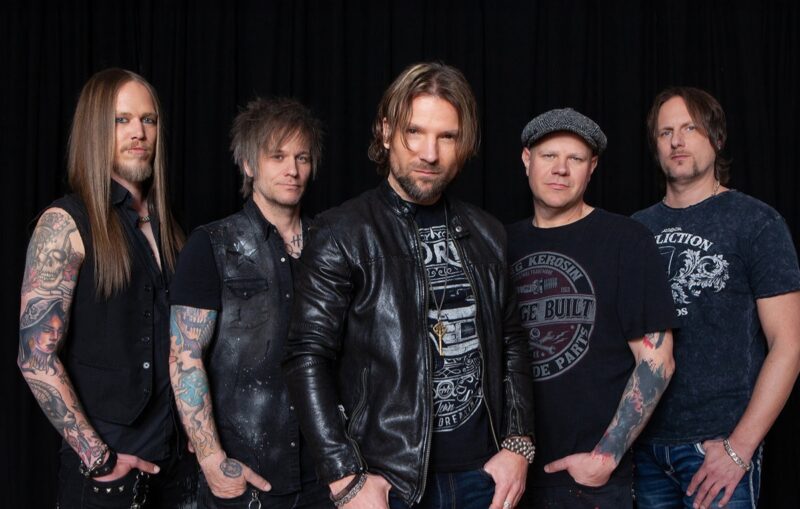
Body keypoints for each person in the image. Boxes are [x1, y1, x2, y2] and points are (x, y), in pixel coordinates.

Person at [282, 62, 535, 509]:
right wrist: (344, 475)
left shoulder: (488, 233)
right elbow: (307, 356)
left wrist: (518, 444)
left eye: (447, 136)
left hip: (483, 479)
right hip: (389, 483)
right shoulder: (344, 232)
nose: (430, 154)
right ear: (385, 132)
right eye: (414, 132)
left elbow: (511, 340)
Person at [17, 68, 195, 507]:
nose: (139, 132)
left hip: (178, 469)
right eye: (122, 120)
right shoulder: (65, 223)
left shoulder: (171, 228)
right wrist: (99, 458)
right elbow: (36, 357)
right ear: (96, 129)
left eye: (148, 120)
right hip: (107, 477)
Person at [632, 87, 800, 509]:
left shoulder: (757, 223)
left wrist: (739, 448)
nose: (677, 141)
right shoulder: (634, 231)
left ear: (717, 137)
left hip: (716, 449)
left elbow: (789, 345)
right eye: (665, 132)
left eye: (690, 128)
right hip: (645, 452)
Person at [506, 108, 676, 508]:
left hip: (587, 482)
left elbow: (657, 362)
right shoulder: (499, 243)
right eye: (549, 155)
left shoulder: (626, 240)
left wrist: (606, 457)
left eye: (576, 158)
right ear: (527, 160)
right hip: (510, 474)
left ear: (592, 167)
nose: (561, 169)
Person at [168, 97, 331, 508]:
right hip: (247, 478)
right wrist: (212, 460)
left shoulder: (332, 244)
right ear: (248, 164)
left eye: (302, 157)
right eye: (277, 156)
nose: (292, 169)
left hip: (326, 477)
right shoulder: (211, 245)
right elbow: (185, 356)